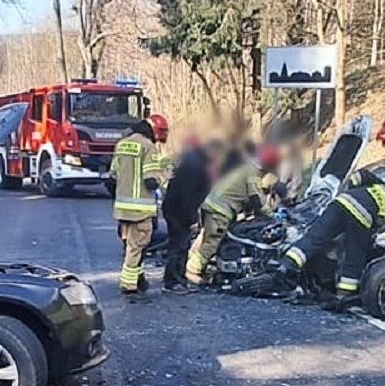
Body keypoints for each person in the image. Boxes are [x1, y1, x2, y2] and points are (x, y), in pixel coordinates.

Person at [275, 168, 385, 308]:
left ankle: (287, 264)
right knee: (355, 254)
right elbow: (380, 229)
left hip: (341, 202)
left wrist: (351, 191)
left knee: (315, 237)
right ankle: (344, 294)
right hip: (362, 215)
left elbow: (357, 176)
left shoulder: (377, 183)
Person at [185, 143, 282, 286]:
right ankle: (193, 272)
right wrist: (272, 215)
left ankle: (187, 265)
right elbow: (256, 199)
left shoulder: (245, 167)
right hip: (221, 210)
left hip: (211, 205)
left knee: (204, 238)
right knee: (212, 242)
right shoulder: (253, 173)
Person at [111, 114, 170, 296]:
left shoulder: (122, 144)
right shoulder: (148, 146)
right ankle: (129, 285)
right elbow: (151, 180)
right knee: (137, 247)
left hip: (122, 208)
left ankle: (138, 280)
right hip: (141, 210)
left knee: (130, 246)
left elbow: (113, 173)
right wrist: (164, 176)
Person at [161, 135, 210, 293]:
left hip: (174, 208)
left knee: (180, 245)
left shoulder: (192, 162)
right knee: (179, 246)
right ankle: (173, 282)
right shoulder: (196, 167)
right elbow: (188, 196)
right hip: (178, 211)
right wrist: (192, 219)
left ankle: (178, 279)